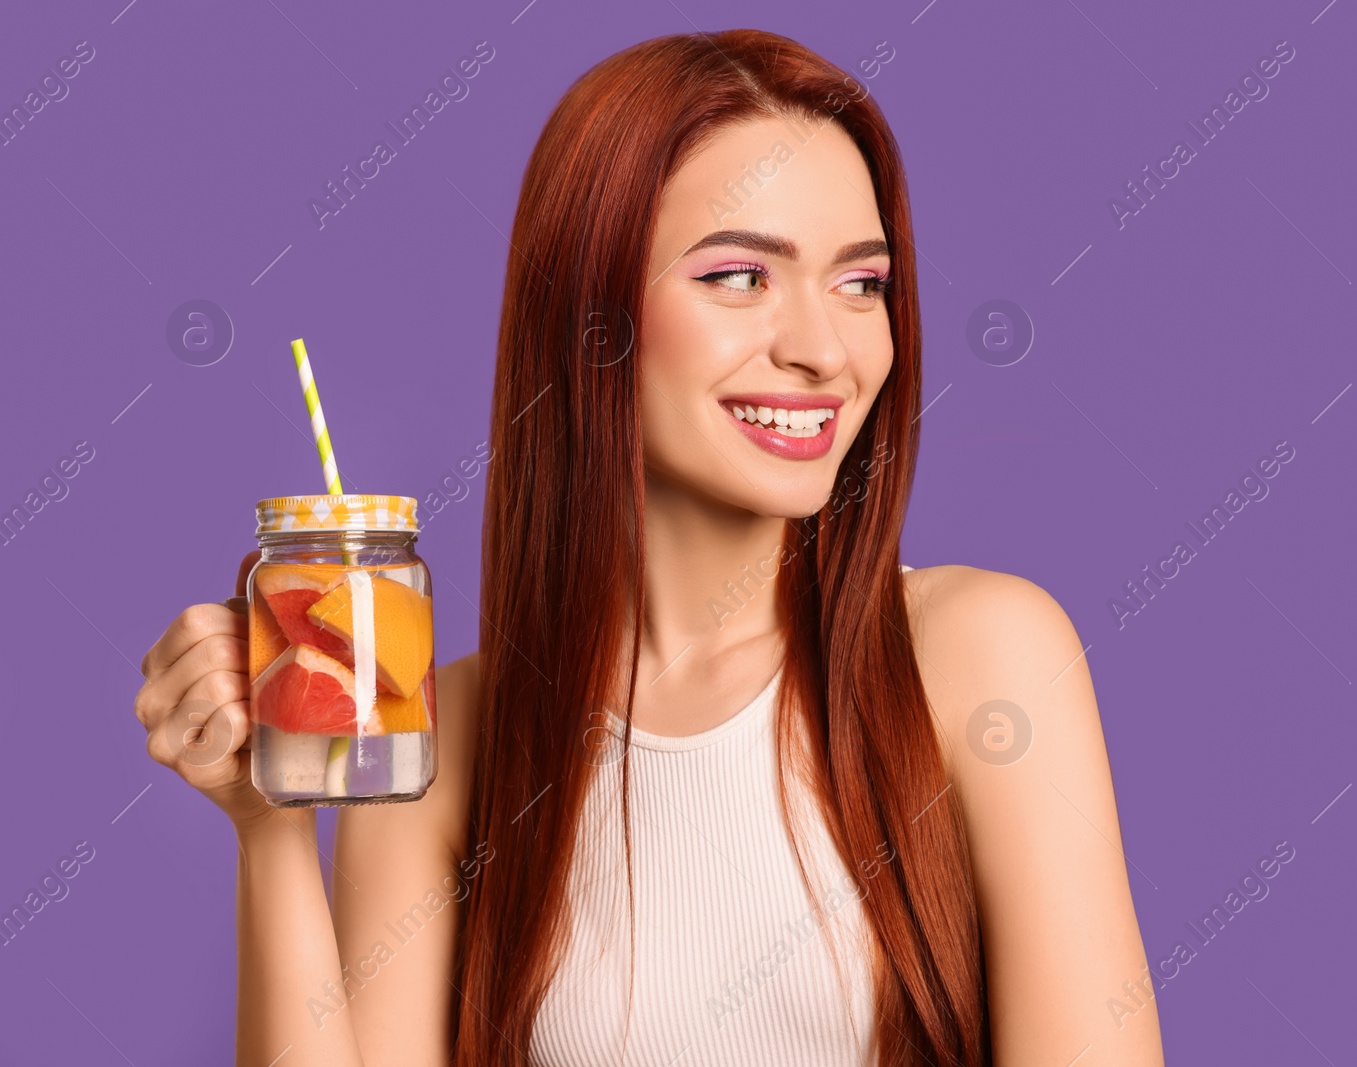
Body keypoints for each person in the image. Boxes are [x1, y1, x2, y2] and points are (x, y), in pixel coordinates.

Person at [133, 27, 1165, 1067]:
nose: (823, 347)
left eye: (861, 283)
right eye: (738, 277)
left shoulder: (983, 654)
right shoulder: (445, 742)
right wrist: (267, 825)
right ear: (590, 321)